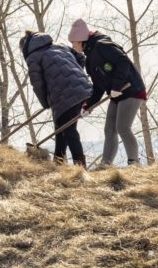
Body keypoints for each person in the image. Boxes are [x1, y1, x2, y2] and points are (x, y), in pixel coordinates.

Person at [69, 19, 147, 167]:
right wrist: (88, 106)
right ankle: (106, 164)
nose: (73, 46)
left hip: (131, 89)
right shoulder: (90, 58)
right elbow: (98, 86)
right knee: (109, 129)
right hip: (117, 93)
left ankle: (134, 162)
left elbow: (123, 61)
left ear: (81, 40)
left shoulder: (102, 45)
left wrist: (117, 86)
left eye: (74, 43)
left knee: (122, 126)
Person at [19, 30, 93, 167]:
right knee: (61, 127)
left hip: (63, 94)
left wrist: (45, 103)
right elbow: (81, 58)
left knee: (68, 129)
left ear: (25, 47)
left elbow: (37, 84)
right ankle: (58, 163)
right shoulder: (60, 46)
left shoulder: (33, 57)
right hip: (84, 88)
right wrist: (76, 75)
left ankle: (80, 167)